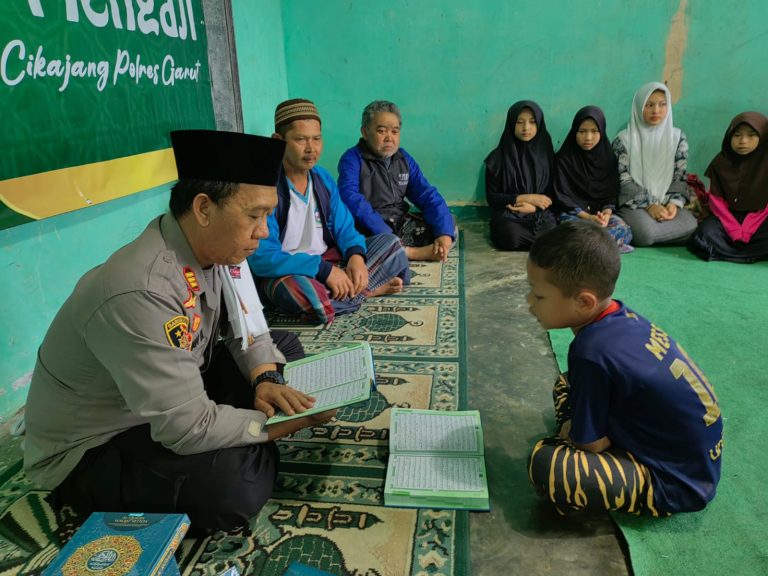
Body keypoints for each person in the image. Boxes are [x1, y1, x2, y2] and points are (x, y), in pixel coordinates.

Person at [23, 130, 337, 533]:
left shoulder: (220, 248)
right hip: (98, 442)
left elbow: (249, 329)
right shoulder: (141, 289)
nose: (263, 231)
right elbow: (187, 428)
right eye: (254, 216)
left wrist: (266, 380)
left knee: (282, 349)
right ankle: (247, 443)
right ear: (203, 208)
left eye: (267, 215)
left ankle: (248, 432)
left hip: (163, 394)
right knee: (233, 488)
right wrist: (294, 423)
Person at [526, 221, 722, 516]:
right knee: (567, 383)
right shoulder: (620, 314)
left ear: (584, 302)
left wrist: (577, 434)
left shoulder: (590, 351)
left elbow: (590, 446)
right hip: (695, 459)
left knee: (546, 464)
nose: (529, 303)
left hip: (674, 482)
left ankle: (609, 455)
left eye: (538, 296)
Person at [248, 99, 410, 325]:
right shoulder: (266, 188)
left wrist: (355, 257)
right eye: (300, 139)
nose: (311, 148)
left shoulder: (322, 179)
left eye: (316, 139)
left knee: (391, 244)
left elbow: (345, 228)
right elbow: (262, 258)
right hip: (291, 271)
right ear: (278, 142)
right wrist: (322, 270)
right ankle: (366, 291)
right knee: (299, 291)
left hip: (331, 263)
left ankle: (344, 292)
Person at [337, 100, 456, 262]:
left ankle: (400, 250)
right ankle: (411, 253)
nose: (389, 138)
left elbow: (426, 194)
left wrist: (444, 234)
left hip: (398, 223)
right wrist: (386, 233)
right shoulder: (352, 159)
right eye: (381, 131)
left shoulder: (403, 158)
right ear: (365, 132)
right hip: (369, 227)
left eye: (395, 131)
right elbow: (350, 198)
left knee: (447, 224)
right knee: (359, 242)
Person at [612, 82, 697, 246]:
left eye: (662, 104)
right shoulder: (623, 140)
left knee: (692, 226)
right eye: (649, 105)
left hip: (666, 201)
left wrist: (673, 204)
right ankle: (662, 234)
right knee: (645, 234)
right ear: (638, 107)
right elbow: (624, 180)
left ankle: (657, 233)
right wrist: (650, 206)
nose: (656, 110)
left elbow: (679, 177)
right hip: (634, 204)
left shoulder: (678, 138)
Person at [688, 111, 768, 263]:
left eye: (751, 135)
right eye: (737, 135)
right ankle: (746, 254)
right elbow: (716, 203)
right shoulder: (720, 162)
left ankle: (725, 253)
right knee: (705, 234)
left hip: (760, 219)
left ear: (763, 136)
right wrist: (734, 229)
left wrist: (747, 229)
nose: (743, 141)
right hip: (727, 217)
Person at [554, 105, 633, 253]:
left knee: (623, 229)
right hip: (573, 214)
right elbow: (562, 197)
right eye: (582, 131)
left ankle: (588, 247)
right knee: (571, 231)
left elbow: (610, 195)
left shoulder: (608, 159)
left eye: (594, 131)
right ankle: (600, 247)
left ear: (602, 132)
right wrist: (588, 217)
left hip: (599, 215)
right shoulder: (564, 159)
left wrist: (606, 215)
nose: (588, 137)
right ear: (574, 131)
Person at [484, 100, 557, 251]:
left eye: (532, 122)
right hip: (510, 214)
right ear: (511, 123)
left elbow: (554, 193)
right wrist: (524, 198)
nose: (526, 128)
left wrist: (534, 207)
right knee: (509, 235)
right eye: (519, 122)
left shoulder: (548, 156)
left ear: (539, 124)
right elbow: (492, 198)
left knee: (551, 234)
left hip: (539, 213)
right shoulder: (497, 159)